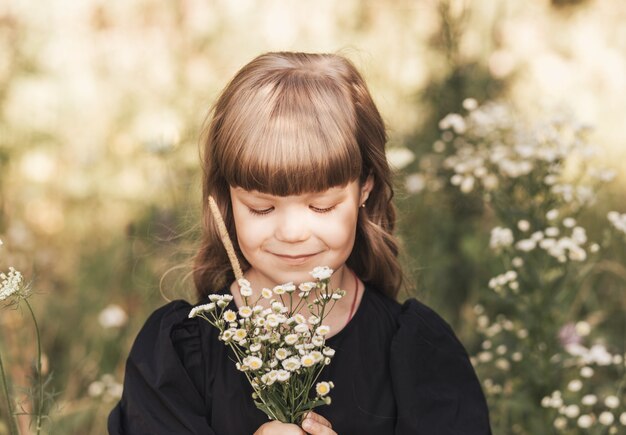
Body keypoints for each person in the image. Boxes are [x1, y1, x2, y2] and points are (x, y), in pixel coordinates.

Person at [108, 51, 491, 435]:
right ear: (226, 199)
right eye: (261, 207)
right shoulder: (179, 357)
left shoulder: (417, 354)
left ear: (365, 188)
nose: (292, 232)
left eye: (321, 206)